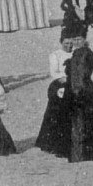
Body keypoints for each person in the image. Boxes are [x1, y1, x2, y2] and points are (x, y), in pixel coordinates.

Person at [63, 36, 93, 163]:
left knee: (84, 122)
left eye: (79, 39)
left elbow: (83, 74)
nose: (76, 42)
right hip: (77, 88)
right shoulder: (76, 53)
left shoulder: (86, 53)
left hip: (84, 89)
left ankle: (84, 154)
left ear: (85, 39)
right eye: (74, 39)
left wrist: (76, 91)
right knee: (79, 122)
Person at [34, 28, 77, 157]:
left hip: (72, 83)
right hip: (60, 83)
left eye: (71, 43)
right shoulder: (55, 55)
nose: (69, 46)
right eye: (66, 43)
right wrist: (66, 78)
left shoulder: (76, 54)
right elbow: (54, 72)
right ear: (61, 42)